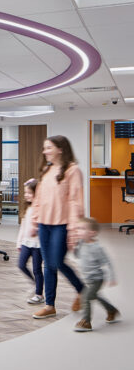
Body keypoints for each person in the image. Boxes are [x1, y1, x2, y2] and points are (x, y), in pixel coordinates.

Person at [30, 135, 84, 319]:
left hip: (62, 225)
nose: (45, 151)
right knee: (48, 265)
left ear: (60, 149)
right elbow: (38, 199)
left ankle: (82, 289)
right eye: (44, 148)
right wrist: (34, 221)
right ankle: (49, 305)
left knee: (56, 262)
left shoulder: (72, 170)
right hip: (44, 224)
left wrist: (73, 230)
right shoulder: (47, 170)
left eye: (49, 148)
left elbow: (76, 202)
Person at [72, 217, 120, 332]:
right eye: (78, 228)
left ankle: (86, 322)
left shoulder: (97, 248)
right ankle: (111, 310)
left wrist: (112, 277)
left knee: (86, 297)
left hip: (97, 279)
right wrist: (75, 247)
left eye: (82, 229)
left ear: (92, 233)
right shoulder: (81, 243)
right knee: (94, 296)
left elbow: (107, 263)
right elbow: (78, 256)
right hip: (87, 278)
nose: (78, 231)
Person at [16, 178, 44, 305]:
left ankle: (39, 294)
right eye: (25, 193)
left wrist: (36, 229)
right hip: (26, 243)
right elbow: (23, 226)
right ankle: (35, 283)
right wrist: (19, 242)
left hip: (38, 245)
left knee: (37, 269)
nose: (26, 195)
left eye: (29, 193)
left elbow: (42, 227)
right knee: (21, 264)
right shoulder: (28, 208)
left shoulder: (41, 210)